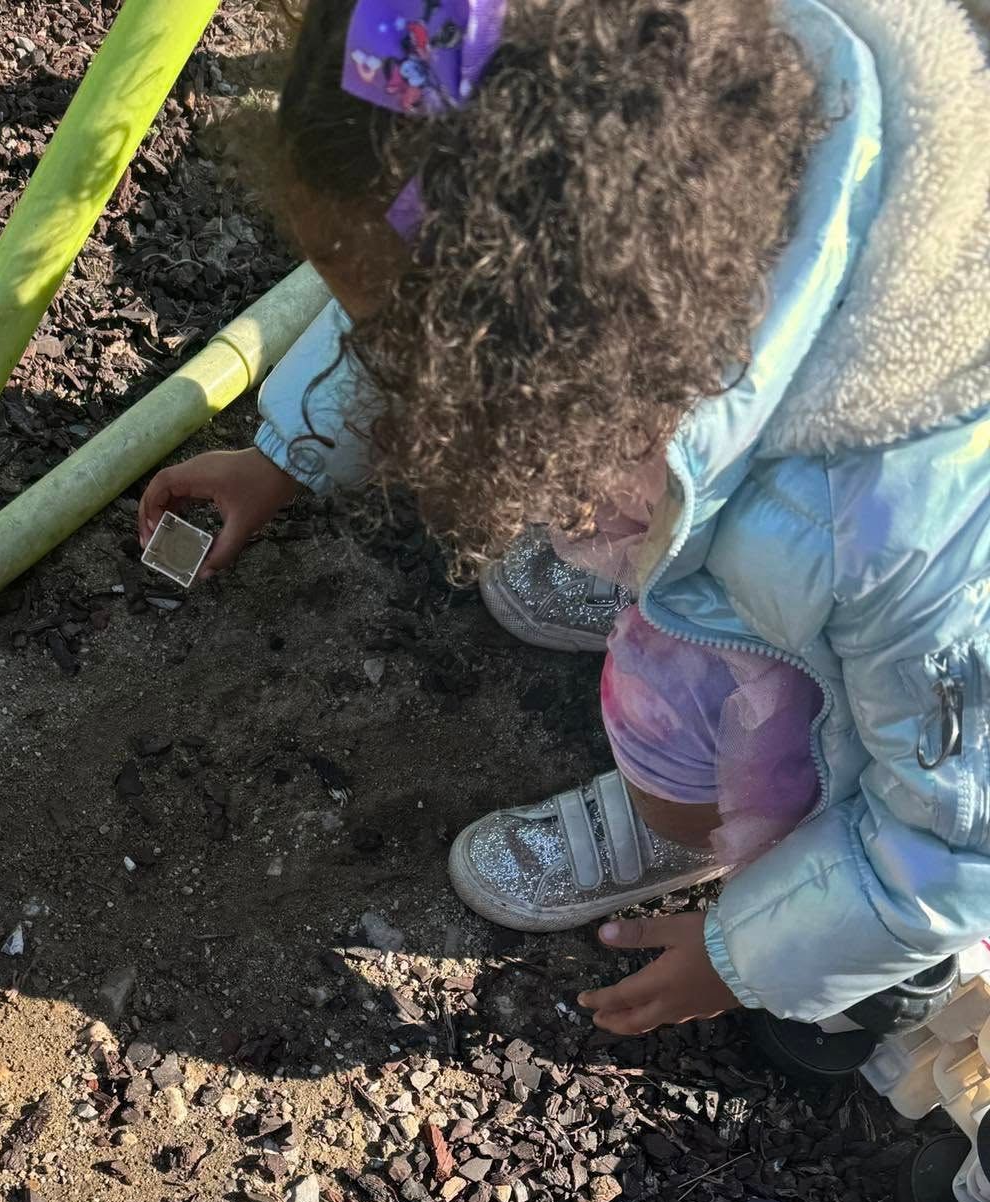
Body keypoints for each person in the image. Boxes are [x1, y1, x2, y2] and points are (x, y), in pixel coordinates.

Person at [138, 0, 990, 1039]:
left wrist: (738, 952)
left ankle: (680, 822)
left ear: (572, 341)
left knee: (687, 711)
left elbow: (951, 840)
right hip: (734, 499)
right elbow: (401, 288)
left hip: (818, 640)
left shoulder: (913, 534)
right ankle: (655, 571)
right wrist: (289, 450)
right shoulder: (681, 119)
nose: (381, 342)